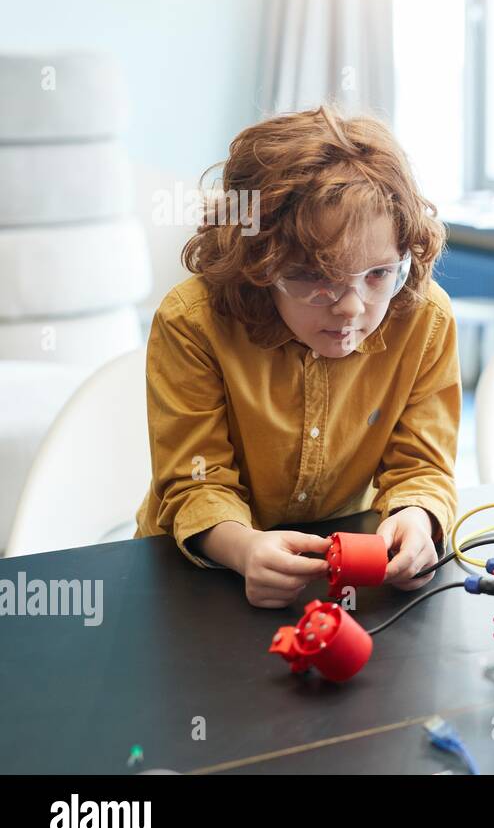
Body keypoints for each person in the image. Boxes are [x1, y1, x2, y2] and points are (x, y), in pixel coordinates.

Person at [134, 106, 459, 608]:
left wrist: (418, 518)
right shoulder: (193, 322)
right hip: (197, 577)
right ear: (258, 264)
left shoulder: (423, 317)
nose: (352, 307)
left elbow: (421, 466)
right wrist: (244, 549)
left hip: (335, 578)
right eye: (317, 278)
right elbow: (195, 483)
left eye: (377, 273)